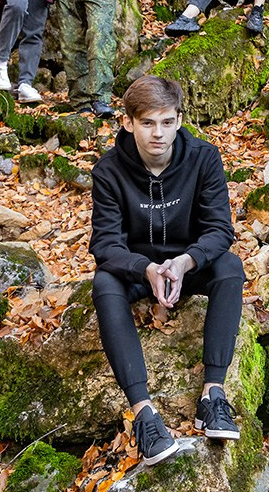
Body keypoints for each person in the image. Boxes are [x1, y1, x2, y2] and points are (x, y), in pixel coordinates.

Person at [90, 75, 246, 465]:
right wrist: (145, 269)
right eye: (147, 123)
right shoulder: (108, 171)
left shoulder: (203, 157)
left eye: (166, 122)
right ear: (128, 123)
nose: (158, 134)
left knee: (230, 266)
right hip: (137, 269)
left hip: (187, 264)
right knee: (103, 282)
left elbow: (220, 229)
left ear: (179, 119)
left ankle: (213, 395)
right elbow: (106, 244)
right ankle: (144, 413)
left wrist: (185, 261)